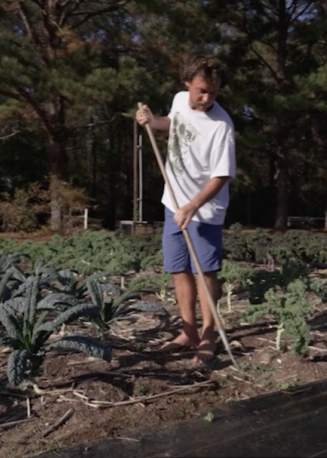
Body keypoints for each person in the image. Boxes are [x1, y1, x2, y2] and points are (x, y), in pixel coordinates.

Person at [136, 55, 236, 363]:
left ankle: (209, 334)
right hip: (173, 203)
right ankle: (188, 330)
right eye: (201, 91)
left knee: (204, 272)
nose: (207, 98)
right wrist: (153, 122)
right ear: (187, 85)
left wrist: (193, 206)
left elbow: (221, 176)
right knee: (178, 268)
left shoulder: (222, 127)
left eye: (213, 93)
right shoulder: (180, 100)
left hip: (203, 210)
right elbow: (174, 123)